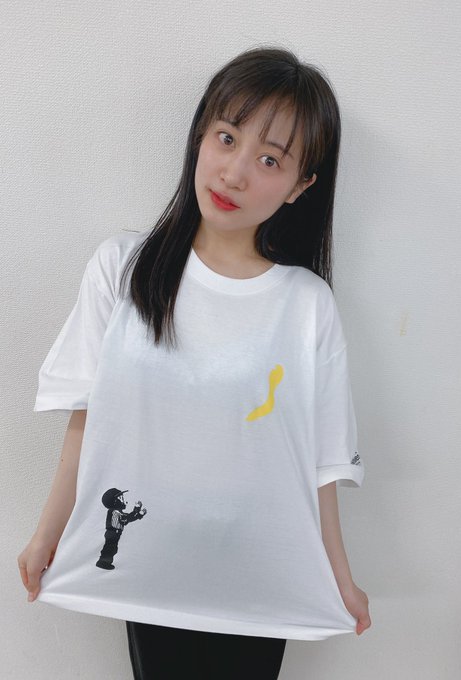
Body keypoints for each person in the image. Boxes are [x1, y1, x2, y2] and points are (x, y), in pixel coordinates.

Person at [18, 45, 371, 679]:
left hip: (257, 575)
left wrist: (338, 578)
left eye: (270, 159)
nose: (235, 173)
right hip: (149, 565)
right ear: (200, 136)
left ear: (302, 186)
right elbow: (87, 417)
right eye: (227, 138)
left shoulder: (306, 304)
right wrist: (48, 532)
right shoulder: (124, 268)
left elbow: (319, 462)